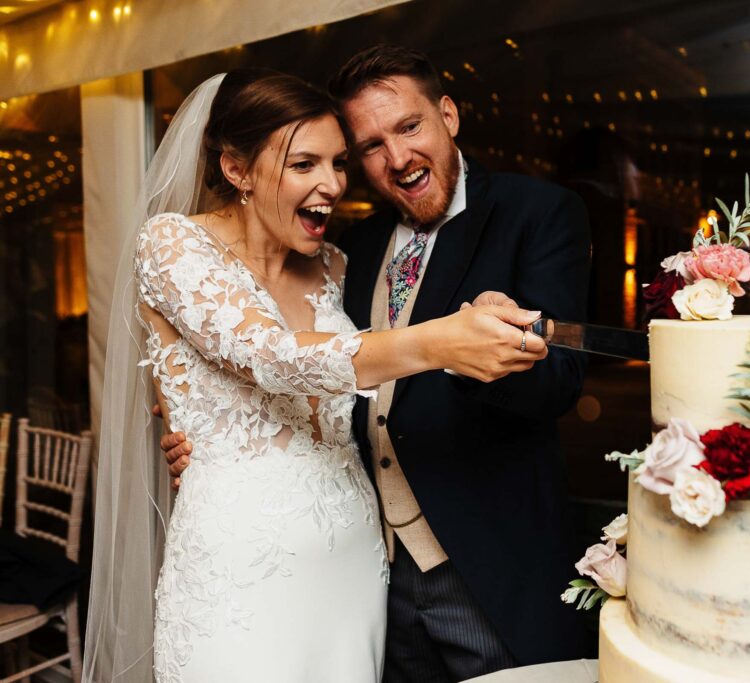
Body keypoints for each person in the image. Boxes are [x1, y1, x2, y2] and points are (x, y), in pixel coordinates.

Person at [84, 68, 547, 683]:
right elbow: (272, 357)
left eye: (337, 163)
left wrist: (477, 320)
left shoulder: (336, 264)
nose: (332, 185)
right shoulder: (172, 243)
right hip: (238, 571)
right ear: (237, 170)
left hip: (353, 561)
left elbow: (372, 384)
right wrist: (438, 342)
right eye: (304, 164)